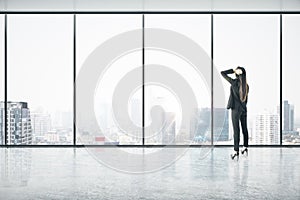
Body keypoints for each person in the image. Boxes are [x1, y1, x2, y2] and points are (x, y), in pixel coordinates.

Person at [221, 67, 249, 160]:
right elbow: (245, 100)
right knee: (244, 129)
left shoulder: (234, 83)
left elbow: (223, 73)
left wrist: (232, 70)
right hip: (244, 109)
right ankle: (245, 147)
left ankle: (235, 151)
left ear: (237, 74)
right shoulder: (246, 85)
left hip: (235, 110)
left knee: (236, 131)